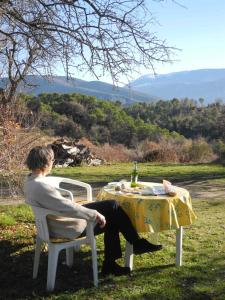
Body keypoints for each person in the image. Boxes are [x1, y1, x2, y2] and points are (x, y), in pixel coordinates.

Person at [24, 146, 162, 276]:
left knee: (112, 211)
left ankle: (114, 261)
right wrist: (95, 214)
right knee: (113, 207)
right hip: (65, 227)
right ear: (46, 163)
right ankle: (133, 245)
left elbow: (61, 205)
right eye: (52, 160)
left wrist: (91, 210)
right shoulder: (41, 186)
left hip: (53, 223)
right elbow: (66, 207)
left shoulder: (30, 181)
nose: (53, 163)